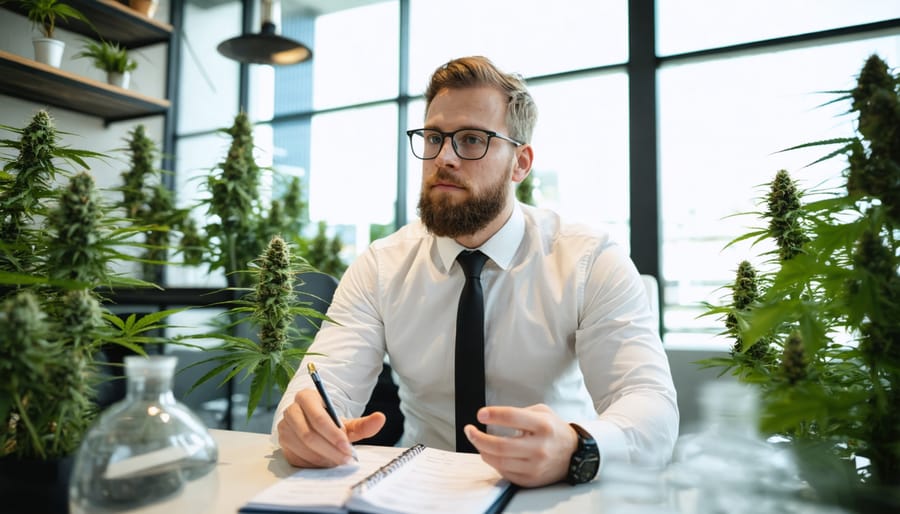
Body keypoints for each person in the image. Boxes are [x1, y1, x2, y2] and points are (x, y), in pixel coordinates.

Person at [273, 56, 678, 488]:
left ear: (520, 163)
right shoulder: (379, 266)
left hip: (553, 491)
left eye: (471, 140)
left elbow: (650, 409)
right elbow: (315, 394)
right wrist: (304, 427)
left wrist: (577, 446)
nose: (443, 157)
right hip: (414, 492)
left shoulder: (590, 260)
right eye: (433, 137)